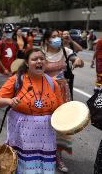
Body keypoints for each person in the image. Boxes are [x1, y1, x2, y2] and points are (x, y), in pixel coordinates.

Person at [0, 48, 64, 174]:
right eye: (34, 59)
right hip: (21, 139)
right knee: (23, 168)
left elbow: (60, 109)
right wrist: (9, 101)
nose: (39, 61)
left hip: (46, 140)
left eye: (42, 59)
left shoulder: (52, 83)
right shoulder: (16, 80)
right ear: (27, 63)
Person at [42, 29, 84, 173]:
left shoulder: (65, 51)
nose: (57, 39)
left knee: (61, 125)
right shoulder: (41, 53)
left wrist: (78, 60)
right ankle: (44, 152)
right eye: (53, 37)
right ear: (47, 40)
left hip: (63, 93)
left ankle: (58, 156)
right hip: (45, 93)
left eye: (58, 37)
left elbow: (77, 60)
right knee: (45, 123)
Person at [0, 23, 17, 91]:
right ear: (4, 32)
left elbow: (15, 58)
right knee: (0, 91)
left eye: (10, 32)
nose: (8, 33)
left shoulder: (15, 44)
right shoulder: (0, 44)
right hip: (1, 73)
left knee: (11, 91)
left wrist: (15, 70)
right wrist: (4, 69)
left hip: (12, 73)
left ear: (13, 32)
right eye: (7, 32)